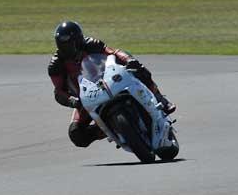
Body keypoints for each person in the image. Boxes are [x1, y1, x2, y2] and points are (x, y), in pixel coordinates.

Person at [47, 21, 176, 148]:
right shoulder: (56, 65)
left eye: (70, 43)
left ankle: (160, 99)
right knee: (76, 134)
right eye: (62, 44)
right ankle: (109, 128)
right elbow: (58, 91)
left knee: (139, 69)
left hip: (110, 80)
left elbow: (113, 53)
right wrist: (72, 101)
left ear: (78, 39)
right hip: (87, 97)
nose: (67, 48)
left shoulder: (91, 44)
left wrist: (129, 60)